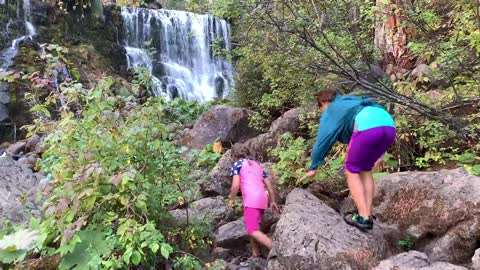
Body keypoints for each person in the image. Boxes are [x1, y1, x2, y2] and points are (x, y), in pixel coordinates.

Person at [303, 90, 395, 231]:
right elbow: (378, 123)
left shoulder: (331, 109)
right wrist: (381, 154)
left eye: (320, 109)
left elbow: (323, 140)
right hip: (388, 124)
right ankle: (369, 213)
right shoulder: (351, 101)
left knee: (351, 170)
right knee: (365, 169)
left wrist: (314, 166)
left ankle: (363, 217)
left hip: (366, 127)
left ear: (323, 103)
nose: (322, 112)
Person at [228, 144, 278, 257]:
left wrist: (231, 199)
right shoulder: (257, 165)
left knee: (252, 230)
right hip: (262, 199)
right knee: (254, 226)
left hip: (251, 201)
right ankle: (255, 253)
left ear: (234, 156)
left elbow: (235, 185)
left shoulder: (237, 165)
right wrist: (273, 201)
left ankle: (274, 248)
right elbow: (269, 185)